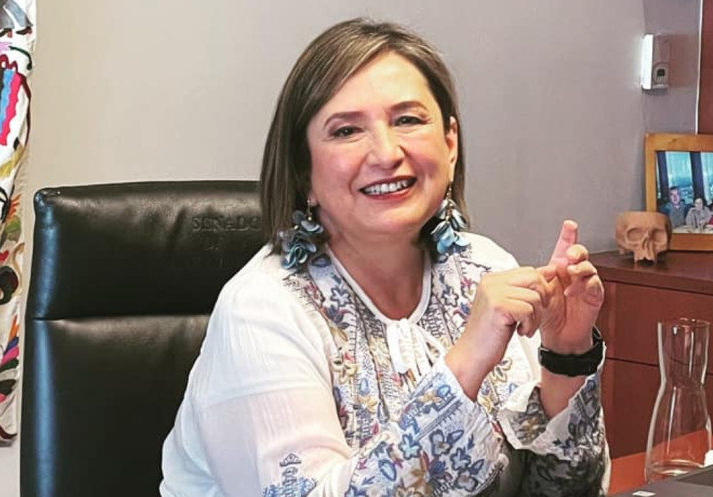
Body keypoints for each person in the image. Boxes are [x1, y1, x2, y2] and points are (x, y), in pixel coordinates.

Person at [161, 19, 608, 497]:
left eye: (408, 120)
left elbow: (564, 492)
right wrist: (464, 367)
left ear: (450, 144)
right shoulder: (261, 310)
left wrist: (566, 356)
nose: (386, 152)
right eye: (346, 130)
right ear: (302, 170)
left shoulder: (487, 267)